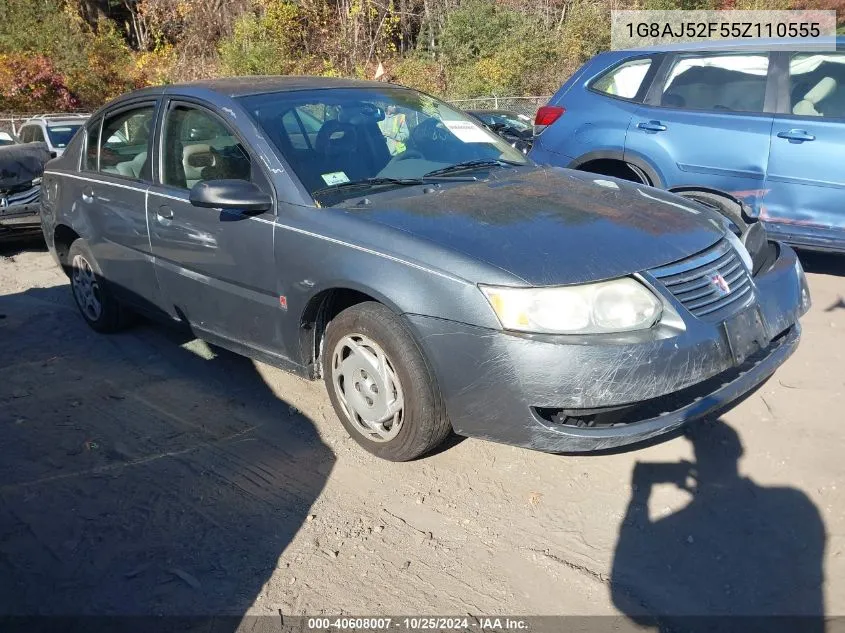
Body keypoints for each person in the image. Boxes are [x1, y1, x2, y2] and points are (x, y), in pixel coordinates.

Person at [611, 418, 826, 633]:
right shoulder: (795, 502)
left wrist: (640, 494)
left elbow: (622, 588)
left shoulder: (673, 526)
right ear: (740, 452)